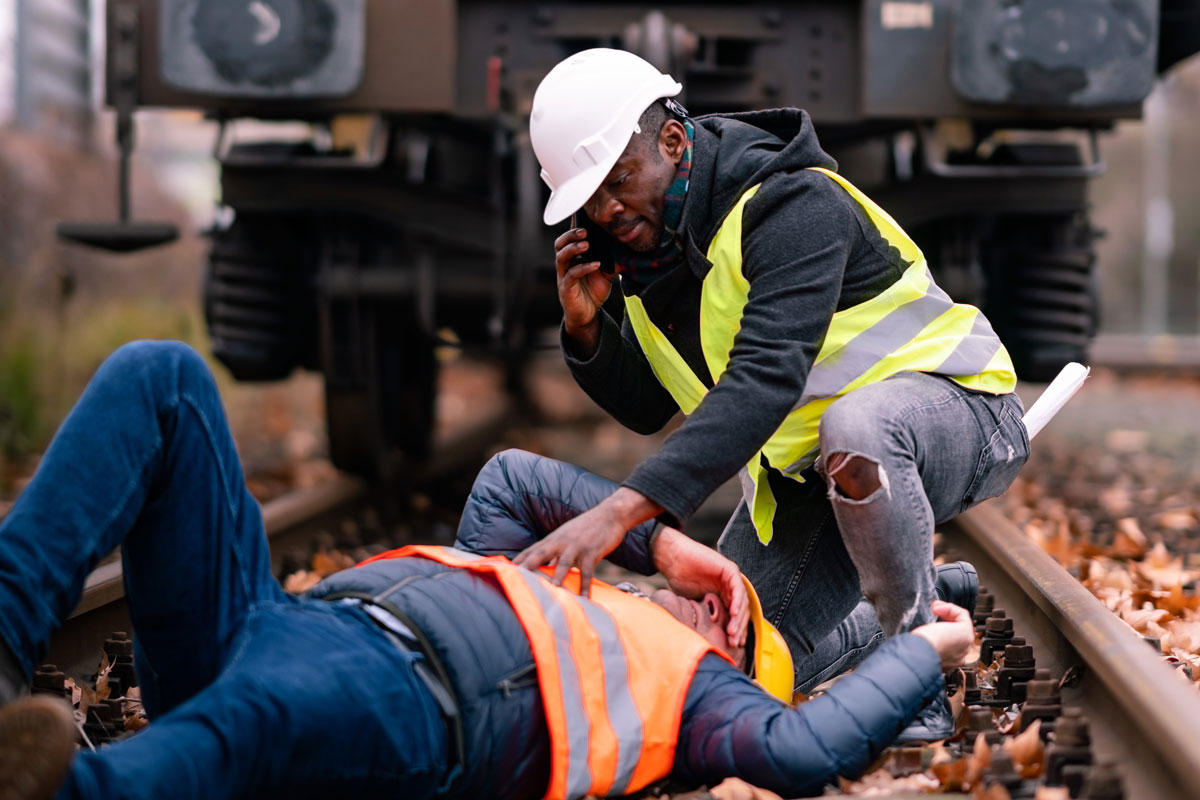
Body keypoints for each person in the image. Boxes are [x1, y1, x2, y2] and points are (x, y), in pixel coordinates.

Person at [0, 340, 976, 800]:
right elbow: (513, 477)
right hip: (267, 623)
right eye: (714, 595)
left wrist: (931, 645)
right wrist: (657, 537)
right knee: (161, 377)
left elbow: (807, 750)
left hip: (398, 701)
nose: (709, 604)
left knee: (251, 718)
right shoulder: (563, 579)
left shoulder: (693, 701)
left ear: (730, 659)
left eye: (731, 624)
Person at [520, 48, 1029, 739]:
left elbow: (766, 375)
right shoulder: (648, 256)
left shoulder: (792, 201)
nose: (607, 211)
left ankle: (919, 680)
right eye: (589, 201)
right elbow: (648, 407)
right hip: (813, 478)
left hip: (960, 413)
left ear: (671, 141)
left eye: (618, 181)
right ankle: (933, 600)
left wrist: (618, 512)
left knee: (859, 425)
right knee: (731, 664)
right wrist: (586, 330)